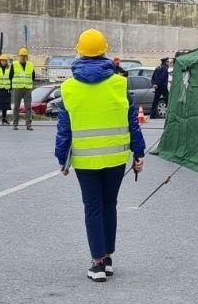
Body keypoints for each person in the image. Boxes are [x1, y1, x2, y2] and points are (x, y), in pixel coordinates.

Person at [55, 28, 145, 282]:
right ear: (105, 52)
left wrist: (62, 158)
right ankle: (107, 258)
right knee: (109, 205)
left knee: (93, 207)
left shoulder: (68, 88)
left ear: (80, 52)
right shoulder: (120, 83)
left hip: (85, 160)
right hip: (116, 159)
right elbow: (132, 123)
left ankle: (96, 263)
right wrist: (138, 154)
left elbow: (64, 128)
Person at [11, 47, 37, 131]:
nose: (23, 57)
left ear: (27, 57)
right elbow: (10, 76)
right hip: (17, 89)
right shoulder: (14, 64)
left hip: (27, 89)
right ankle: (15, 124)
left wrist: (30, 84)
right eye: (22, 56)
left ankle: (28, 124)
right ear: (19, 56)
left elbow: (33, 76)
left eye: (24, 56)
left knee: (28, 107)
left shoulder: (30, 65)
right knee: (16, 107)